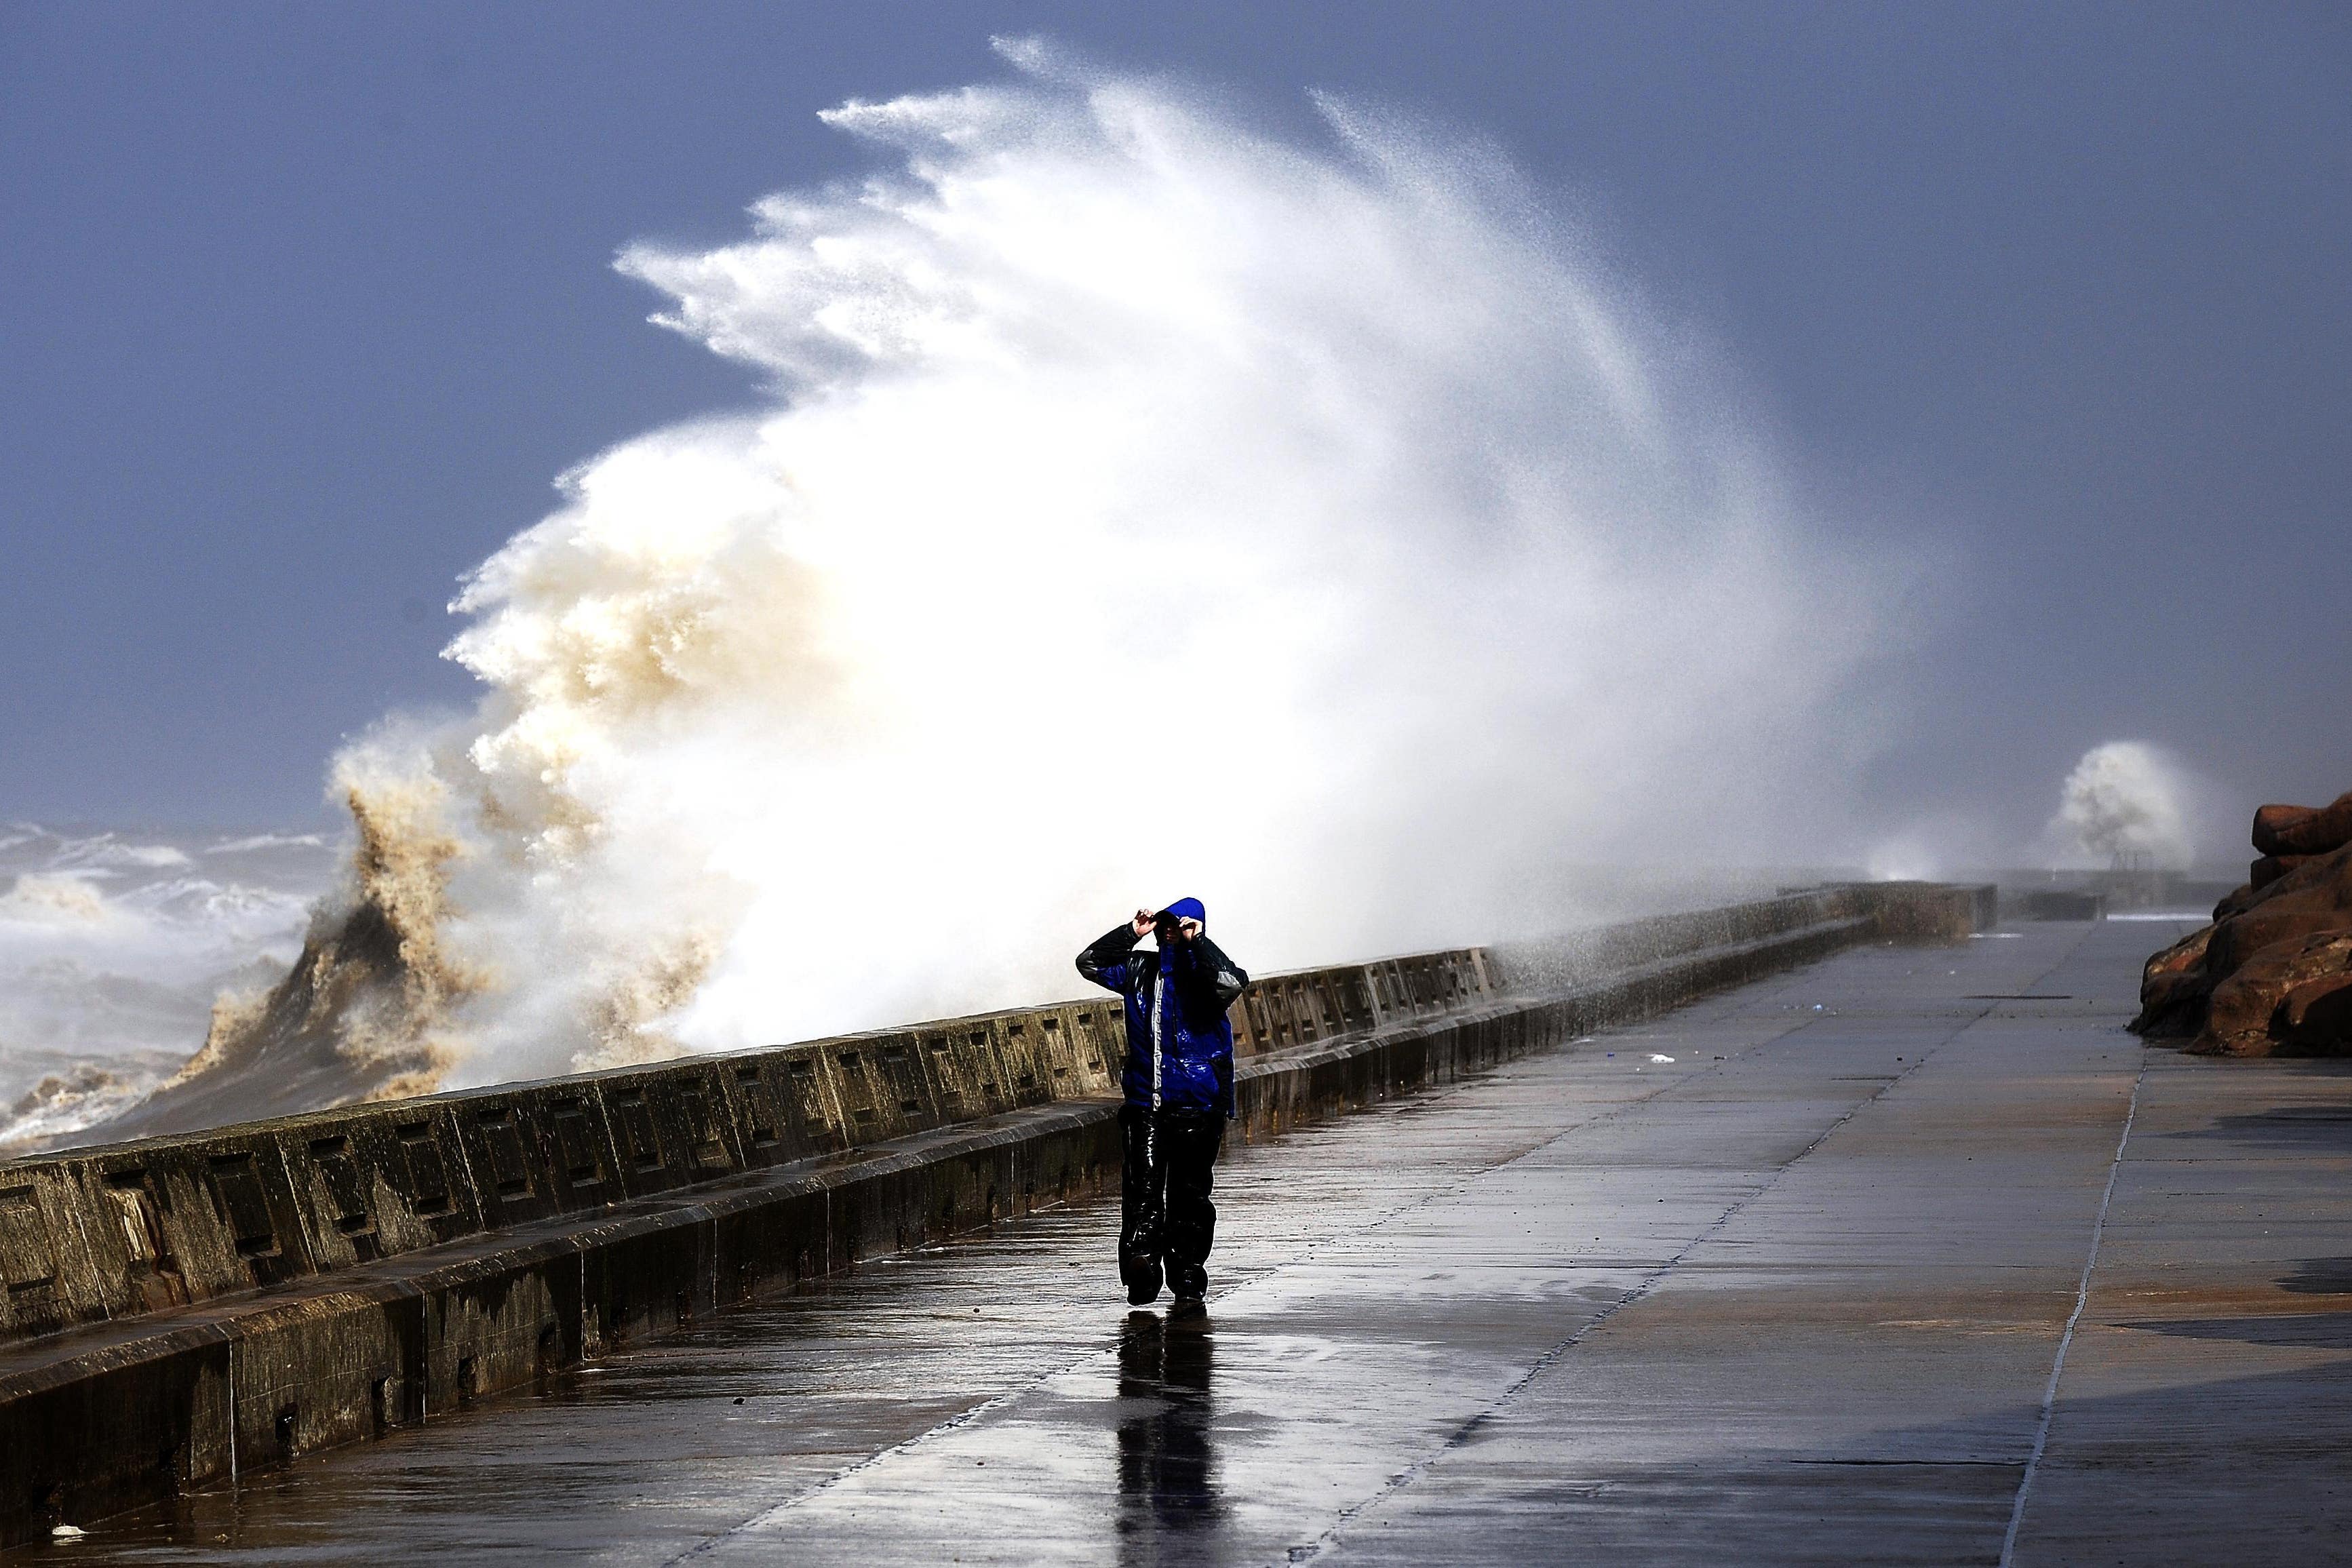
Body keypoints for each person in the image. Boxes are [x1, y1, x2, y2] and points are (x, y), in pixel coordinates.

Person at [1077, 899, 1249, 1315]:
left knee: (1190, 1195)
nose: (1169, 930)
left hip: (1198, 1103)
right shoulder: (1140, 971)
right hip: (1146, 1103)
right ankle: (1142, 1269)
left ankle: (1188, 1274)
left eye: (1179, 924)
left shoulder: (1207, 974)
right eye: (1165, 924)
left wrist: (1198, 942)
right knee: (1143, 1189)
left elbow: (1232, 983)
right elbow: (1090, 963)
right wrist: (1132, 932)